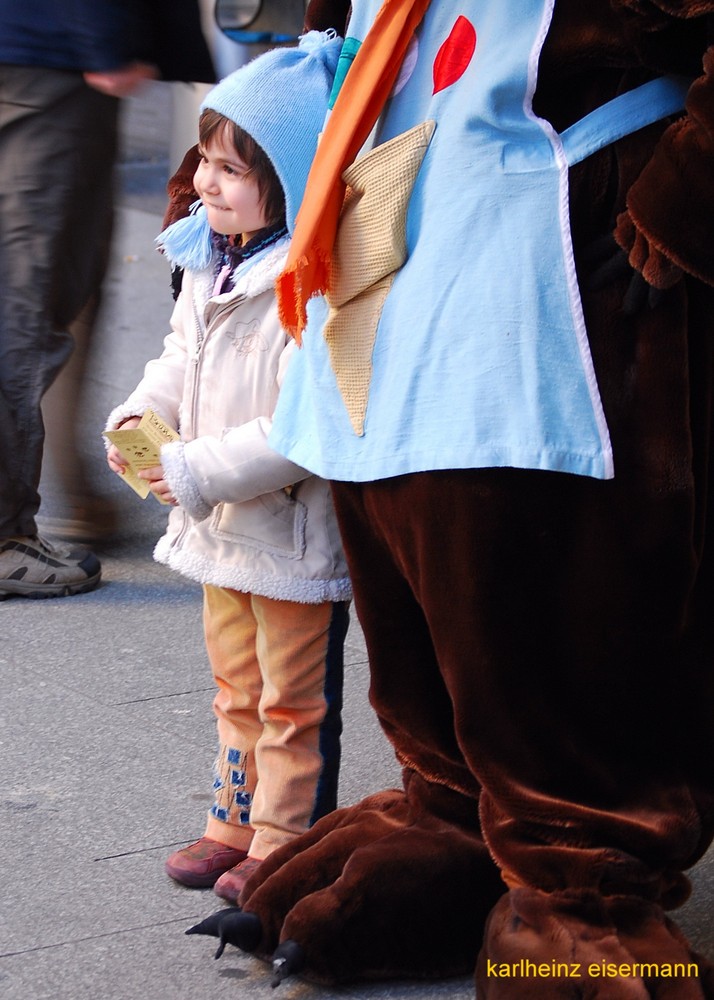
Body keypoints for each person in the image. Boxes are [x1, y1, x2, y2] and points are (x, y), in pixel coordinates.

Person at [182, 0, 714, 995]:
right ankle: (455, 810)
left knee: (545, 553)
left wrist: (689, 183)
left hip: (563, 232)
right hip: (401, 206)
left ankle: (578, 880)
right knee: (414, 523)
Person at [105, 30, 351, 903]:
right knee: (233, 686)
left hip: (286, 535)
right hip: (217, 527)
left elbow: (304, 427)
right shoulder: (210, 257)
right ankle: (230, 821)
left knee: (291, 703)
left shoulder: (308, 285)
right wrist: (143, 414)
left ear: (284, 180)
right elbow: (179, 356)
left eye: (232, 170)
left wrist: (198, 468)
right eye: (204, 159)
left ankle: (284, 840)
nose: (206, 182)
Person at [0, 0, 214, 599]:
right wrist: (106, 38)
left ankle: (80, 495)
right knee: (33, 299)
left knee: (47, 288)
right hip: (48, 54)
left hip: (33, 50)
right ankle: (5, 536)